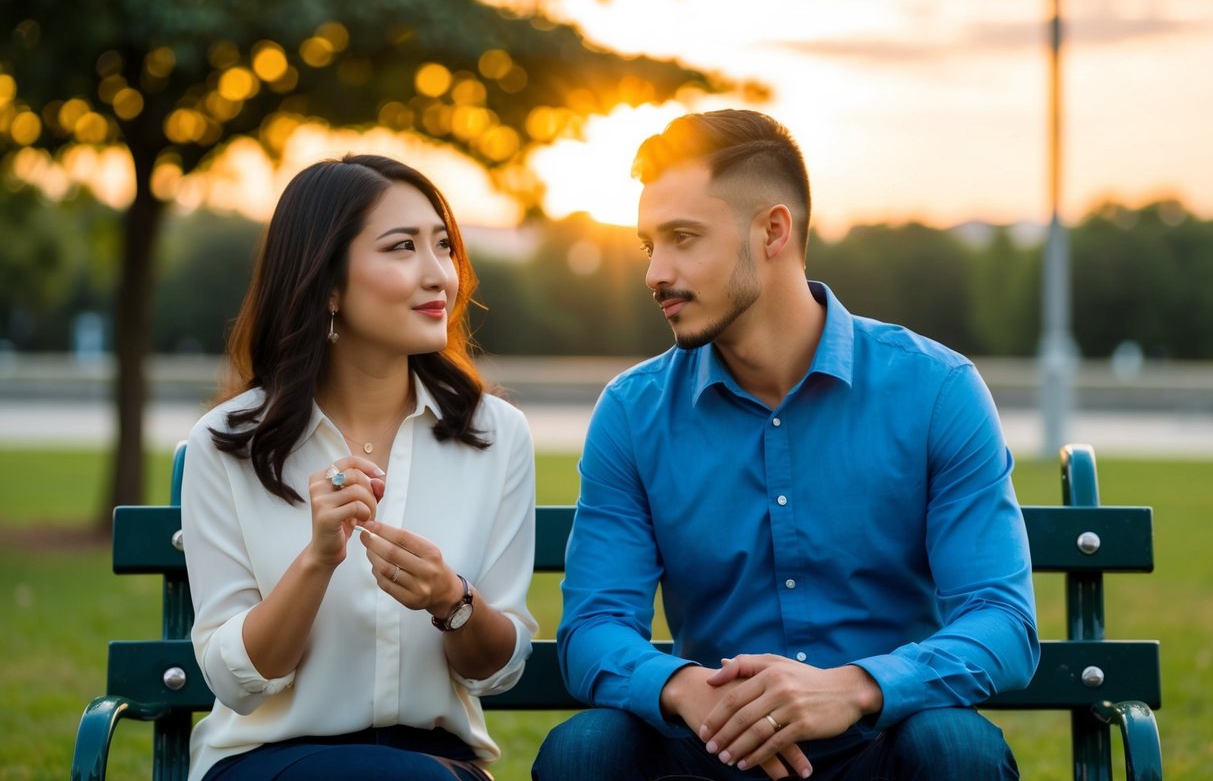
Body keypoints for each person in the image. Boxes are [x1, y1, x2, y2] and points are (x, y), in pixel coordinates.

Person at [533, 110, 1038, 781]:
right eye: (648, 244)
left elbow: (1000, 621)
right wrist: (685, 691)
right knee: (586, 751)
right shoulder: (632, 412)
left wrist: (854, 687)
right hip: (712, 744)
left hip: (877, 740)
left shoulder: (934, 388)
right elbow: (595, 626)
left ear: (772, 230)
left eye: (683, 238)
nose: (656, 272)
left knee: (954, 748)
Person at [181, 154, 537, 781]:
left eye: (444, 247)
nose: (439, 277)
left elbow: (499, 668)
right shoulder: (226, 442)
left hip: (437, 763)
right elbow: (239, 683)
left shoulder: (496, 436)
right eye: (402, 248)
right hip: (269, 760)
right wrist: (317, 560)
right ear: (329, 285)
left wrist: (451, 600)